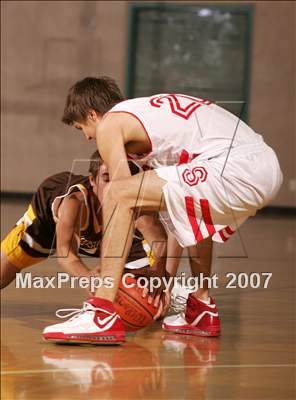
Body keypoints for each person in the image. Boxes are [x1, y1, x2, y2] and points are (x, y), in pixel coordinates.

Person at [43, 76, 282, 344]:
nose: (87, 137)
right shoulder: (152, 120)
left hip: (237, 166)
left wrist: (108, 272)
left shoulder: (111, 123)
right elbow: (177, 217)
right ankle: (202, 307)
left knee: (119, 193)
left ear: (93, 114)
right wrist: (161, 273)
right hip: (263, 166)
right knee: (191, 209)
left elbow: (121, 195)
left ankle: (102, 312)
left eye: (81, 127)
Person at [1, 151, 167, 303]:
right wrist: (89, 278)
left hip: (111, 238)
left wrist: (158, 272)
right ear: (92, 181)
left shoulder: (140, 207)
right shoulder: (75, 202)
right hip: (47, 225)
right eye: (107, 179)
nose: (113, 187)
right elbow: (66, 254)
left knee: (150, 298)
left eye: (120, 180)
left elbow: (159, 242)